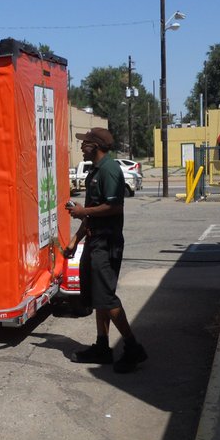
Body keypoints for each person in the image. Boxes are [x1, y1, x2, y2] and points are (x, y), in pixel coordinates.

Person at [63, 127, 147, 373]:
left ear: (96, 146)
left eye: (85, 143)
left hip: (106, 243)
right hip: (93, 241)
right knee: (99, 297)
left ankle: (133, 347)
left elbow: (114, 207)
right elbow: (90, 212)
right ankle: (102, 346)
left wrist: (83, 212)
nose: (81, 146)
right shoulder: (95, 171)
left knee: (107, 298)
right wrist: (74, 240)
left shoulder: (110, 170)